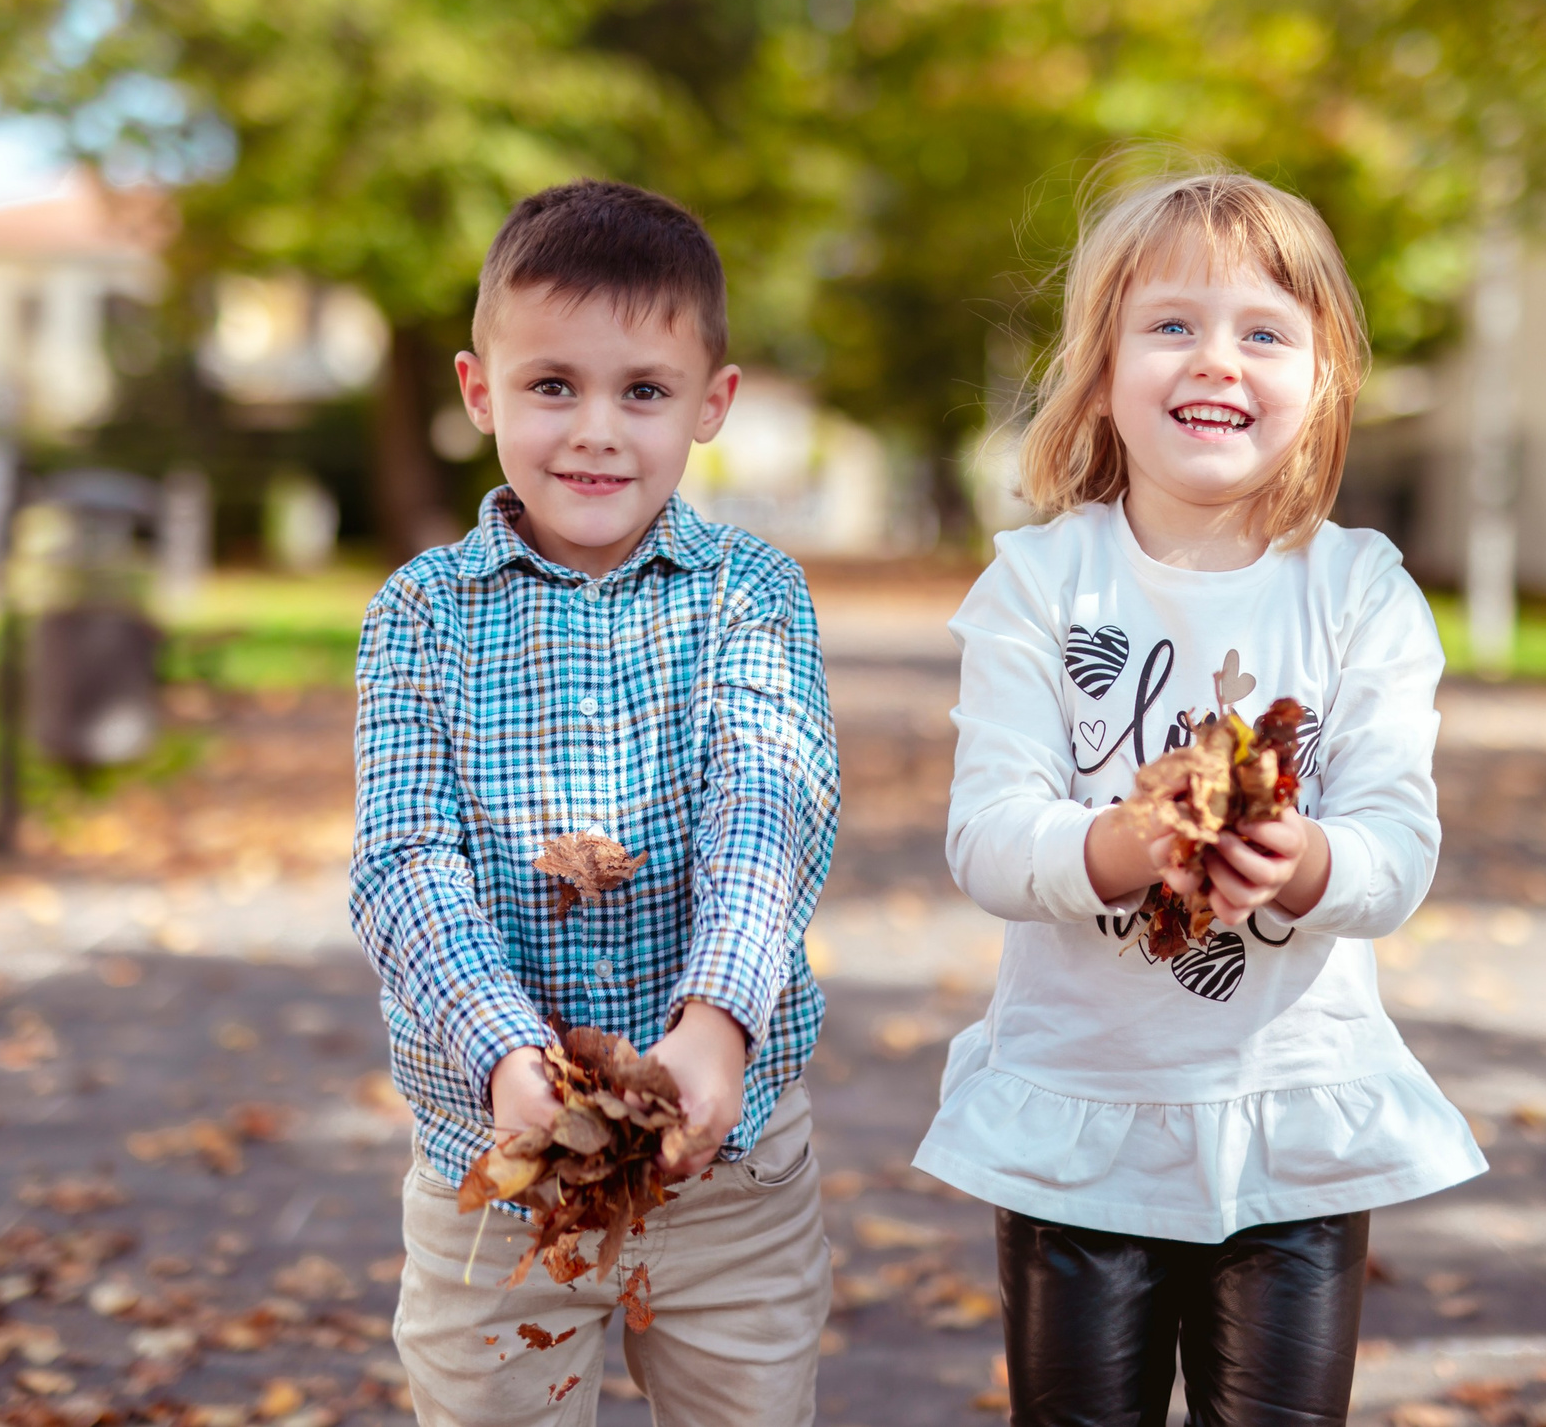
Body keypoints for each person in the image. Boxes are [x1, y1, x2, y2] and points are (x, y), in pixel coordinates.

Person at [915, 165, 1486, 1426]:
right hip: (1079, 1117)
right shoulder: (1038, 586)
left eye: (1263, 331)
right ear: (1102, 370)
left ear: (1325, 376)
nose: (1214, 359)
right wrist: (1123, 841)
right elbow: (990, 836)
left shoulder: (1359, 591)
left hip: (1291, 1120)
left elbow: (1395, 844)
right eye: (1170, 324)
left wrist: (1297, 861)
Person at [349, 179, 839, 1427]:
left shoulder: (751, 592)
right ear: (478, 393)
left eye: (644, 391)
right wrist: (505, 1054)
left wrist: (719, 1021)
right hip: (496, 1166)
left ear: (711, 404)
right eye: (552, 385)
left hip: (728, 1168)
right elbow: (405, 860)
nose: (596, 431)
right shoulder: (421, 613)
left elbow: (768, 807)